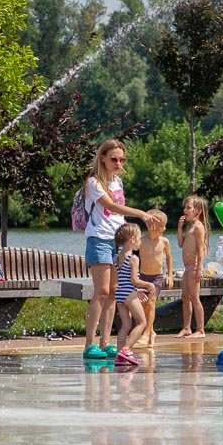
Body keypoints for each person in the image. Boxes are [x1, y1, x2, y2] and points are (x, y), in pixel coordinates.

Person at [81, 139, 149, 359]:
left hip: (115, 242)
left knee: (112, 293)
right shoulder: (94, 182)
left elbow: (117, 215)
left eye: (121, 159)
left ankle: (106, 342)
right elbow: (109, 206)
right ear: (102, 158)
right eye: (114, 159)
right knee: (101, 292)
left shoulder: (118, 182)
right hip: (99, 239)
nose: (118, 163)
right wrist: (139, 213)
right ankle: (89, 344)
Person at [113, 223, 154, 365]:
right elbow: (135, 280)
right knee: (142, 322)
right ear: (132, 239)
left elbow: (122, 279)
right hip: (129, 293)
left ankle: (119, 355)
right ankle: (127, 349)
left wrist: (137, 290)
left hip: (119, 293)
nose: (140, 242)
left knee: (125, 325)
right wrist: (148, 285)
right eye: (139, 239)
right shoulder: (133, 258)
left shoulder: (117, 258)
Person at [138, 209, 174, 347]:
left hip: (157, 277)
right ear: (150, 224)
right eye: (161, 225)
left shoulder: (164, 241)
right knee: (143, 305)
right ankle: (152, 332)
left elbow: (169, 258)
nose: (164, 228)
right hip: (143, 276)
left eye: (165, 225)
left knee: (151, 303)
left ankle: (146, 333)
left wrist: (169, 275)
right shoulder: (141, 241)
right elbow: (133, 258)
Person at [176, 195, 209, 338]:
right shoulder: (190, 226)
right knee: (185, 297)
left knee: (195, 298)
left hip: (195, 266)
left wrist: (200, 268)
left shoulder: (198, 227)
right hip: (187, 267)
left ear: (198, 211)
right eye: (185, 207)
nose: (185, 210)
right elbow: (180, 244)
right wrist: (179, 227)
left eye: (189, 207)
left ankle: (200, 330)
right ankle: (187, 327)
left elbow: (201, 249)